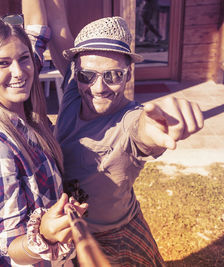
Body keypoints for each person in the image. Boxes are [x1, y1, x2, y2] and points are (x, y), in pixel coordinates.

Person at [44, 1, 204, 265]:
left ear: (128, 75)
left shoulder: (130, 120)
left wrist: (161, 125)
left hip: (117, 235)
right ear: (76, 72)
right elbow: (58, 26)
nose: (98, 88)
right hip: (70, 230)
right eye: (87, 75)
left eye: (114, 75)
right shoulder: (75, 90)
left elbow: (143, 129)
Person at [0, 0, 87, 266]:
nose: (18, 72)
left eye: (24, 59)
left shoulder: (24, 108)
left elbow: (38, 31)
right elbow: (11, 246)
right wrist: (45, 232)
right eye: (3, 63)